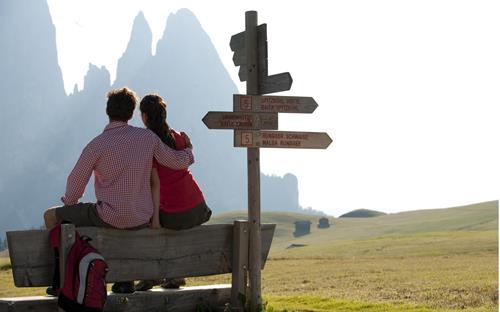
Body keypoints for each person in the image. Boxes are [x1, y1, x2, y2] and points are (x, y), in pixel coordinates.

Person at [43, 87, 195, 294]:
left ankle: (59, 281)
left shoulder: (96, 145)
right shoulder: (147, 139)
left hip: (107, 215)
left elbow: (75, 184)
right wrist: (188, 150)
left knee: (51, 215)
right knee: (128, 225)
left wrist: (70, 204)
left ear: (108, 111)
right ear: (132, 114)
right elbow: (175, 161)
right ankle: (125, 279)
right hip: (141, 217)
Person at [134, 94, 212, 291]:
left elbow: (155, 184)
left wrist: (156, 220)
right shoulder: (178, 137)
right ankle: (176, 275)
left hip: (174, 212)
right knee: (171, 225)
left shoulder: (147, 144)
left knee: (145, 223)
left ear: (144, 117)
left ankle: (152, 276)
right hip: (198, 207)